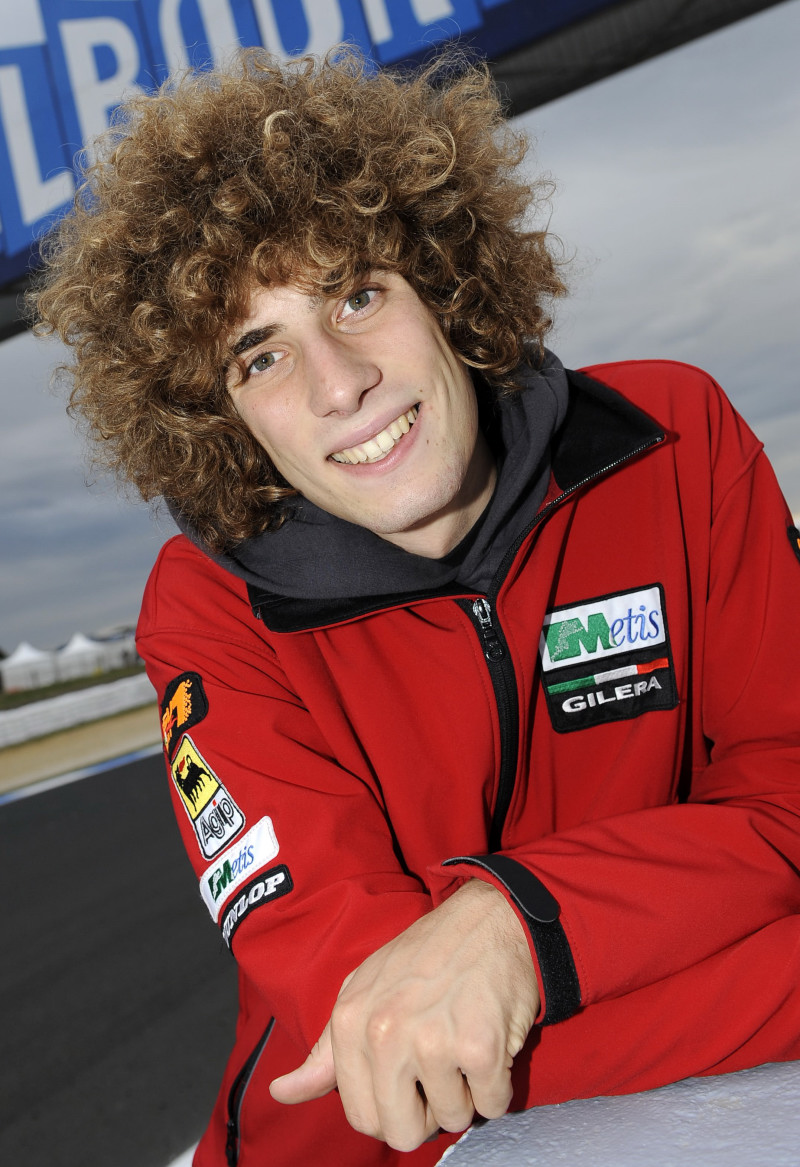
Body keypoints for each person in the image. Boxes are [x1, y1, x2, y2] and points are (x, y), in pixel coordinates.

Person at [33, 47, 800, 1167]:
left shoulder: (674, 439)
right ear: (217, 418)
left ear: (443, 285)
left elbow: (788, 788)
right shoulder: (208, 610)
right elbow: (390, 1038)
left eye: (356, 295)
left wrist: (518, 921)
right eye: (260, 357)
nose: (339, 383)